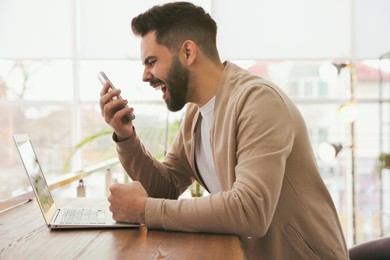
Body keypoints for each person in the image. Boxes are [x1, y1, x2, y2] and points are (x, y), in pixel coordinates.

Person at [99, 2, 349, 259]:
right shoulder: (195, 114)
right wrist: (126, 136)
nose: (145, 76)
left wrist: (144, 210)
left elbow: (250, 210)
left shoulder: (259, 102)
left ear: (187, 52)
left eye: (151, 62)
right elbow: (167, 187)